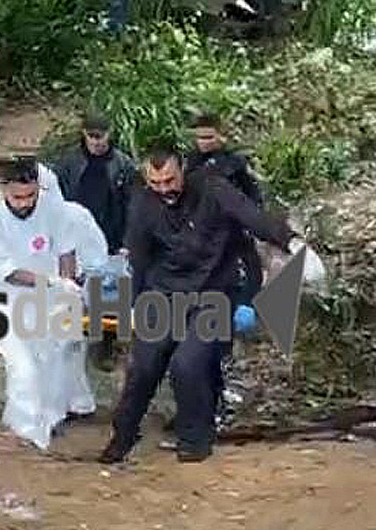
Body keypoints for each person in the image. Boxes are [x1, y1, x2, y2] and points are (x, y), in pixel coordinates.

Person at [98, 145, 315, 464]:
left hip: (212, 293)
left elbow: (253, 218)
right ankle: (123, 436)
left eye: (170, 181)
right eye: (156, 183)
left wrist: (292, 242)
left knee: (187, 364)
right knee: (144, 366)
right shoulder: (144, 203)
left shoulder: (213, 189)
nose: (164, 189)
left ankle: (194, 440)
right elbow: (140, 259)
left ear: (183, 169)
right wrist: (133, 304)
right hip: (164, 294)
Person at [0, 156, 105, 449]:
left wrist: (67, 285)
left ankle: (51, 418)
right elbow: (7, 272)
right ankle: (25, 431)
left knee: (54, 355)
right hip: (2, 296)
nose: (25, 203)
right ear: (3, 189)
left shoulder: (51, 203)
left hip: (47, 292)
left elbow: (66, 248)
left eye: (31, 196)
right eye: (17, 197)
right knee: (23, 364)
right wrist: (50, 281)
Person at [185, 112, 264, 309]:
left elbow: (253, 193)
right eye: (200, 137)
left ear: (220, 136)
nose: (204, 142)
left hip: (234, 226)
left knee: (247, 267)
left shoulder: (235, 163)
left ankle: (246, 305)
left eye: (209, 137)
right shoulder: (190, 162)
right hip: (203, 229)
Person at [52, 112, 137, 256]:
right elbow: (58, 198)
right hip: (76, 235)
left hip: (111, 237)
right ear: (84, 133)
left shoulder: (123, 165)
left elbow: (132, 205)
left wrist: (127, 241)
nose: (95, 142)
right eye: (91, 136)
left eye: (100, 136)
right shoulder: (69, 162)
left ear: (109, 133)